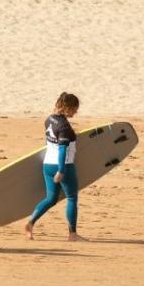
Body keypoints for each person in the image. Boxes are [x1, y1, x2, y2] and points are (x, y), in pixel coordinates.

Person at [25, 92, 84, 242]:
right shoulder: (64, 127)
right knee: (71, 198)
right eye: (75, 109)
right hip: (63, 165)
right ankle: (72, 234)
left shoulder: (49, 119)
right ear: (68, 107)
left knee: (51, 199)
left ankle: (31, 223)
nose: (76, 112)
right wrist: (61, 170)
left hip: (47, 164)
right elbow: (63, 149)